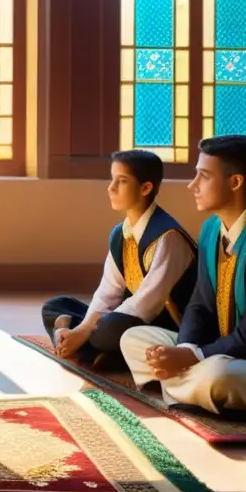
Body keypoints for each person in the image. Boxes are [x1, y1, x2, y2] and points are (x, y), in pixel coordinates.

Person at [121, 136, 246, 419]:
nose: (192, 185)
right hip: (220, 348)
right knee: (132, 338)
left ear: (236, 182)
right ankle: (191, 390)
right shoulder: (211, 229)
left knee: (217, 375)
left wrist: (193, 357)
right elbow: (199, 304)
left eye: (203, 176)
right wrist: (185, 349)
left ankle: (181, 388)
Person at [42, 150, 197, 368]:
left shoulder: (168, 237)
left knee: (107, 330)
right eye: (112, 179)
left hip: (164, 326)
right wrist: (83, 329)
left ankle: (90, 349)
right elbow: (109, 291)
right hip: (127, 318)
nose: (111, 188)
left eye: (121, 181)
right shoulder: (120, 233)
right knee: (55, 306)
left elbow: (146, 305)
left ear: (146, 188)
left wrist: (86, 330)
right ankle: (81, 344)